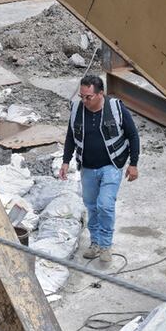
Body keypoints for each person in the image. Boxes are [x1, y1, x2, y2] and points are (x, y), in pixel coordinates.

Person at [59, 74, 140, 263]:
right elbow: (71, 136)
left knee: (105, 205)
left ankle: (105, 245)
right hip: (87, 168)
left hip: (112, 165)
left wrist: (133, 164)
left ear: (100, 93)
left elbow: (133, 136)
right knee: (92, 207)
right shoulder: (77, 109)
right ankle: (95, 242)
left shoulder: (116, 108)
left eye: (89, 97)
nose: (84, 101)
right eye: (82, 96)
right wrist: (65, 161)